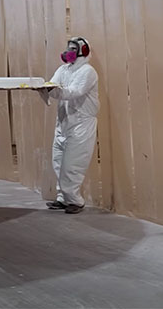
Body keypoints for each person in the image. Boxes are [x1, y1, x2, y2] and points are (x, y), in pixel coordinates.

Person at [40, 37, 99, 214]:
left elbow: (73, 92)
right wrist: (42, 87)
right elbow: (53, 84)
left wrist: (52, 90)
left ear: (84, 51)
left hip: (81, 125)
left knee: (72, 166)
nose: (68, 51)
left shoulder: (88, 71)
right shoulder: (63, 69)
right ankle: (63, 198)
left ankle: (76, 201)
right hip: (64, 122)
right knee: (58, 162)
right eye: (68, 48)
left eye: (73, 48)